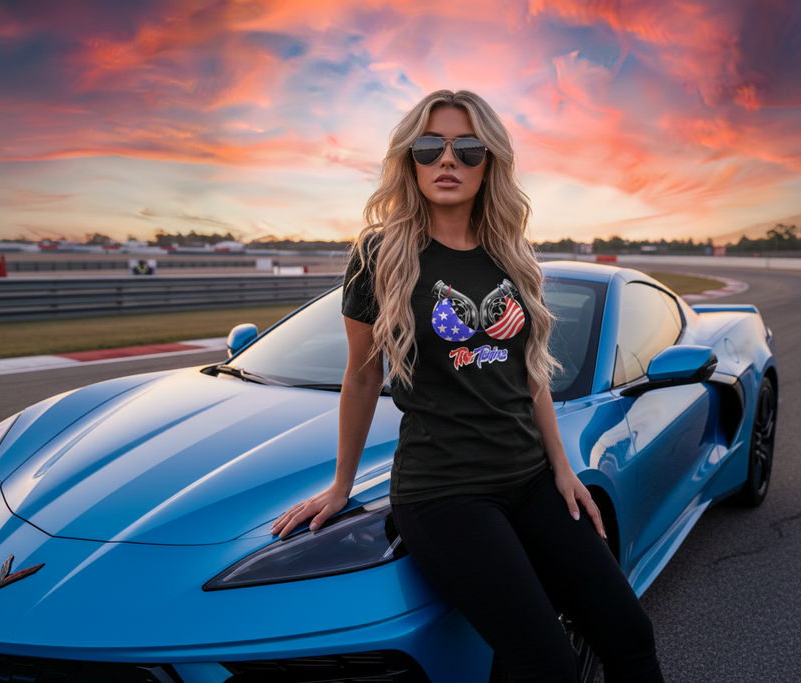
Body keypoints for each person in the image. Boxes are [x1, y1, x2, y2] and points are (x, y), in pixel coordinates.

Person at [272, 90, 664, 683]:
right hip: (444, 492)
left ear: (490, 163)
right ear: (410, 160)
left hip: (530, 479)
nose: (447, 160)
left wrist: (561, 469)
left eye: (467, 148)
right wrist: (340, 484)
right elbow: (362, 374)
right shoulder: (380, 253)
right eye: (430, 147)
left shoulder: (512, 253)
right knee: (547, 663)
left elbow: (529, 372)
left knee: (630, 635)